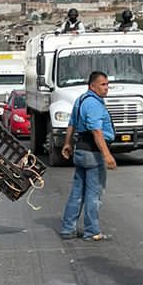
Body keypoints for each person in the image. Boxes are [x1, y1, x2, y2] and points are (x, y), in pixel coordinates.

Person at [60, 70, 117, 241]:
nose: (106, 88)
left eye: (107, 84)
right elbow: (96, 131)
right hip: (92, 153)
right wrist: (107, 155)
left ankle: (68, 229)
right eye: (102, 84)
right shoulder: (93, 104)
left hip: (80, 151)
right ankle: (92, 231)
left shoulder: (81, 100)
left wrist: (67, 143)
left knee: (77, 192)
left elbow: (72, 123)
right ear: (92, 86)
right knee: (94, 194)